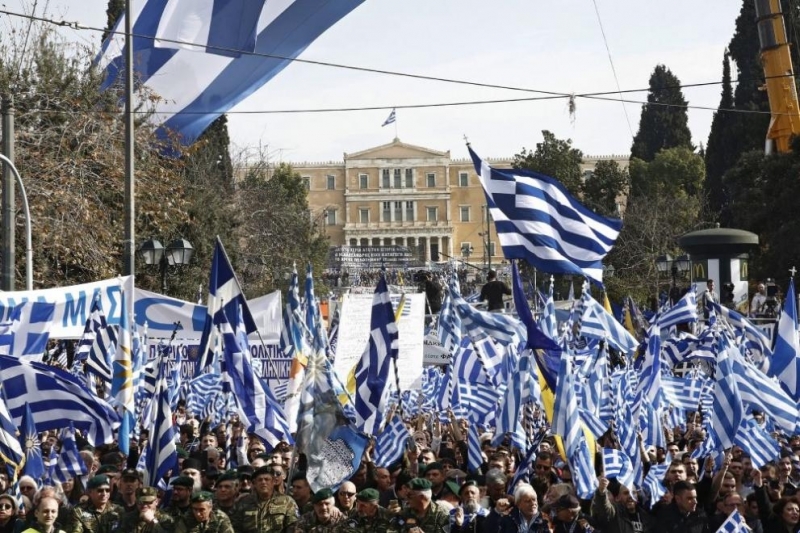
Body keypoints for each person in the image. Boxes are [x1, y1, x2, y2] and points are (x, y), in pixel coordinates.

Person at [230, 465, 298, 533]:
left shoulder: (287, 502)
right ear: (254, 483)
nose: (263, 482)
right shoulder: (244, 502)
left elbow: (293, 527)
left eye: (267, 479)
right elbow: (235, 527)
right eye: (260, 480)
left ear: (273, 482)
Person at [592, 477, 656, 533]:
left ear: (637, 496)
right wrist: (602, 493)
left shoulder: (646, 517)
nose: (630, 496)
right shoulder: (614, 512)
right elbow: (604, 507)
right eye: (626, 493)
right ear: (617, 498)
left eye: (633, 493)